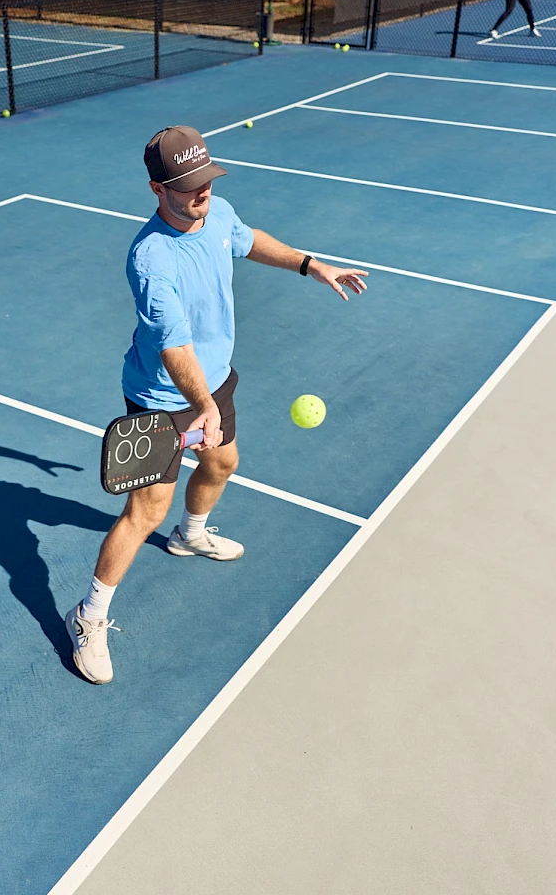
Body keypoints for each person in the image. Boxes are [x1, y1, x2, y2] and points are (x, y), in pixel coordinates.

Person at [64, 125, 369, 684]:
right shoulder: (152, 259)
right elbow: (172, 343)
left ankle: (191, 533)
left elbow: (247, 238)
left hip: (215, 381)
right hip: (163, 398)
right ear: (158, 188)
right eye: (187, 185)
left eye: (206, 179)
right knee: (145, 510)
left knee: (223, 462)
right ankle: (88, 614)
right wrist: (201, 406)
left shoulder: (216, 211)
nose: (201, 192)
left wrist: (309, 264)